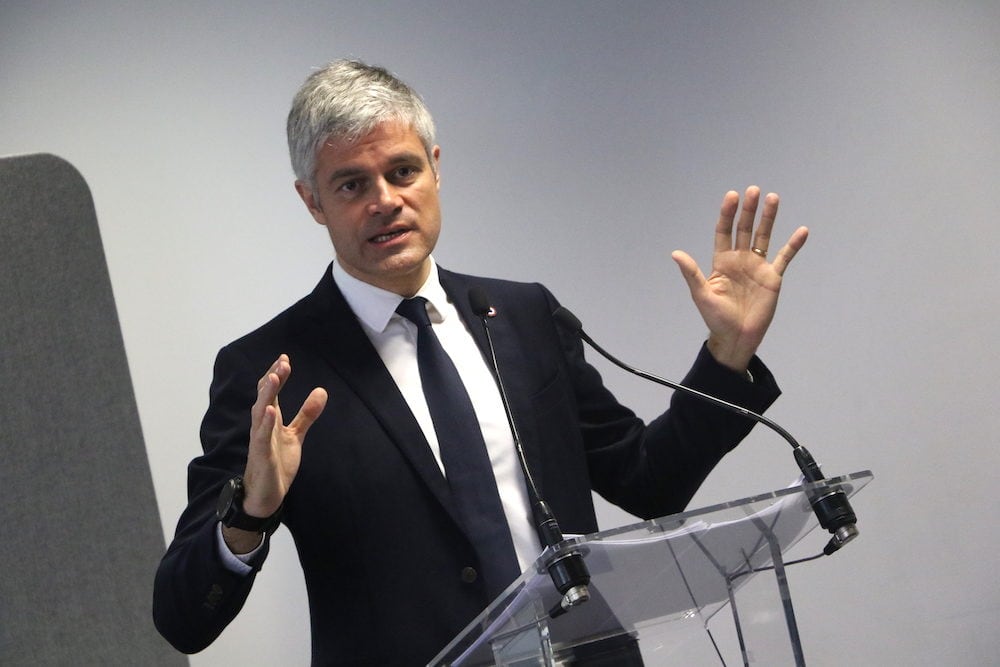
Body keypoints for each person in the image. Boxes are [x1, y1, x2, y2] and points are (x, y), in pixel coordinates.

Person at [152, 59, 808, 666]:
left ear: (435, 168)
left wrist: (728, 353)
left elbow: (646, 480)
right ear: (312, 201)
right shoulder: (270, 372)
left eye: (402, 171)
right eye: (351, 184)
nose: (385, 199)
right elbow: (183, 618)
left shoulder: (521, 317)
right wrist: (248, 514)